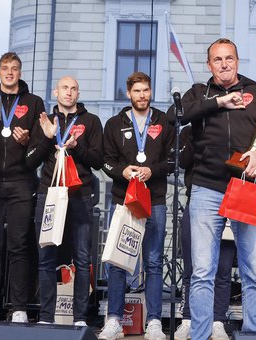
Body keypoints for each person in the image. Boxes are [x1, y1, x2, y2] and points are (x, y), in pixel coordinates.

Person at [179, 38, 256, 339]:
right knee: (202, 272)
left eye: (229, 58)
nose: (224, 64)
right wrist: (218, 102)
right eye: (217, 59)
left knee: (253, 270)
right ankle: (200, 334)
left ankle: (254, 334)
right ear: (209, 64)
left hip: (245, 187)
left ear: (237, 61)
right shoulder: (199, 93)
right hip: (205, 187)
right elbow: (177, 117)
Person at [99, 72, 172, 340]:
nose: (142, 95)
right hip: (124, 201)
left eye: (146, 90)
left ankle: (154, 322)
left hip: (155, 201)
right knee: (117, 263)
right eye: (137, 91)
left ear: (150, 92)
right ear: (128, 94)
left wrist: (152, 171)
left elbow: (173, 162)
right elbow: (105, 163)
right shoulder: (114, 124)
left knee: (153, 262)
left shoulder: (163, 122)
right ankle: (115, 320)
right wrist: (124, 171)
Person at [26, 76, 103, 326]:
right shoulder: (46, 121)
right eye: (64, 88)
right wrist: (48, 136)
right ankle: (47, 317)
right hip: (49, 195)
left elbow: (98, 160)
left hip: (80, 195)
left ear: (78, 93)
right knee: (46, 257)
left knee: (82, 258)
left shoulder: (90, 121)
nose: (69, 93)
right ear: (55, 91)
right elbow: (30, 161)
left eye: (73, 89)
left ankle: (79, 318)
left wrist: (77, 147)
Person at [0, 52, 44, 322]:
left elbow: (41, 145)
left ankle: (18, 308)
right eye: (5, 68)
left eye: (14, 69)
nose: (10, 73)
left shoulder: (34, 103)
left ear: (20, 72)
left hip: (21, 182)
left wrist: (27, 142)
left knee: (18, 246)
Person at [173, 125, 235, 340]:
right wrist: (198, 132)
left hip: (231, 199)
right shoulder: (189, 131)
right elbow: (183, 162)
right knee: (193, 267)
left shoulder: (233, 125)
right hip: (199, 200)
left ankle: (218, 320)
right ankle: (188, 318)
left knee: (223, 268)